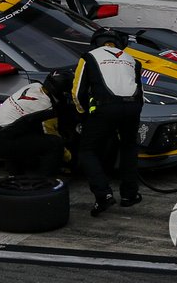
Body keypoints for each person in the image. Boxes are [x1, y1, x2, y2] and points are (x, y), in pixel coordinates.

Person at [72, 28, 143, 215]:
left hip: (105, 109)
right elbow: (139, 91)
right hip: (133, 108)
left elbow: (78, 92)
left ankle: (103, 194)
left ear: (96, 42)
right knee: (129, 147)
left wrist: (83, 116)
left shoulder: (89, 57)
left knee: (87, 151)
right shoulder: (132, 60)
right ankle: (129, 195)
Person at [0, 69, 73, 177]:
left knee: (25, 132)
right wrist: (67, 154)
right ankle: (44, 182)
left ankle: (15, 173)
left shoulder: (34, 86)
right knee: (55, 144)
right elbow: (49, 133)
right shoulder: (46, 106)